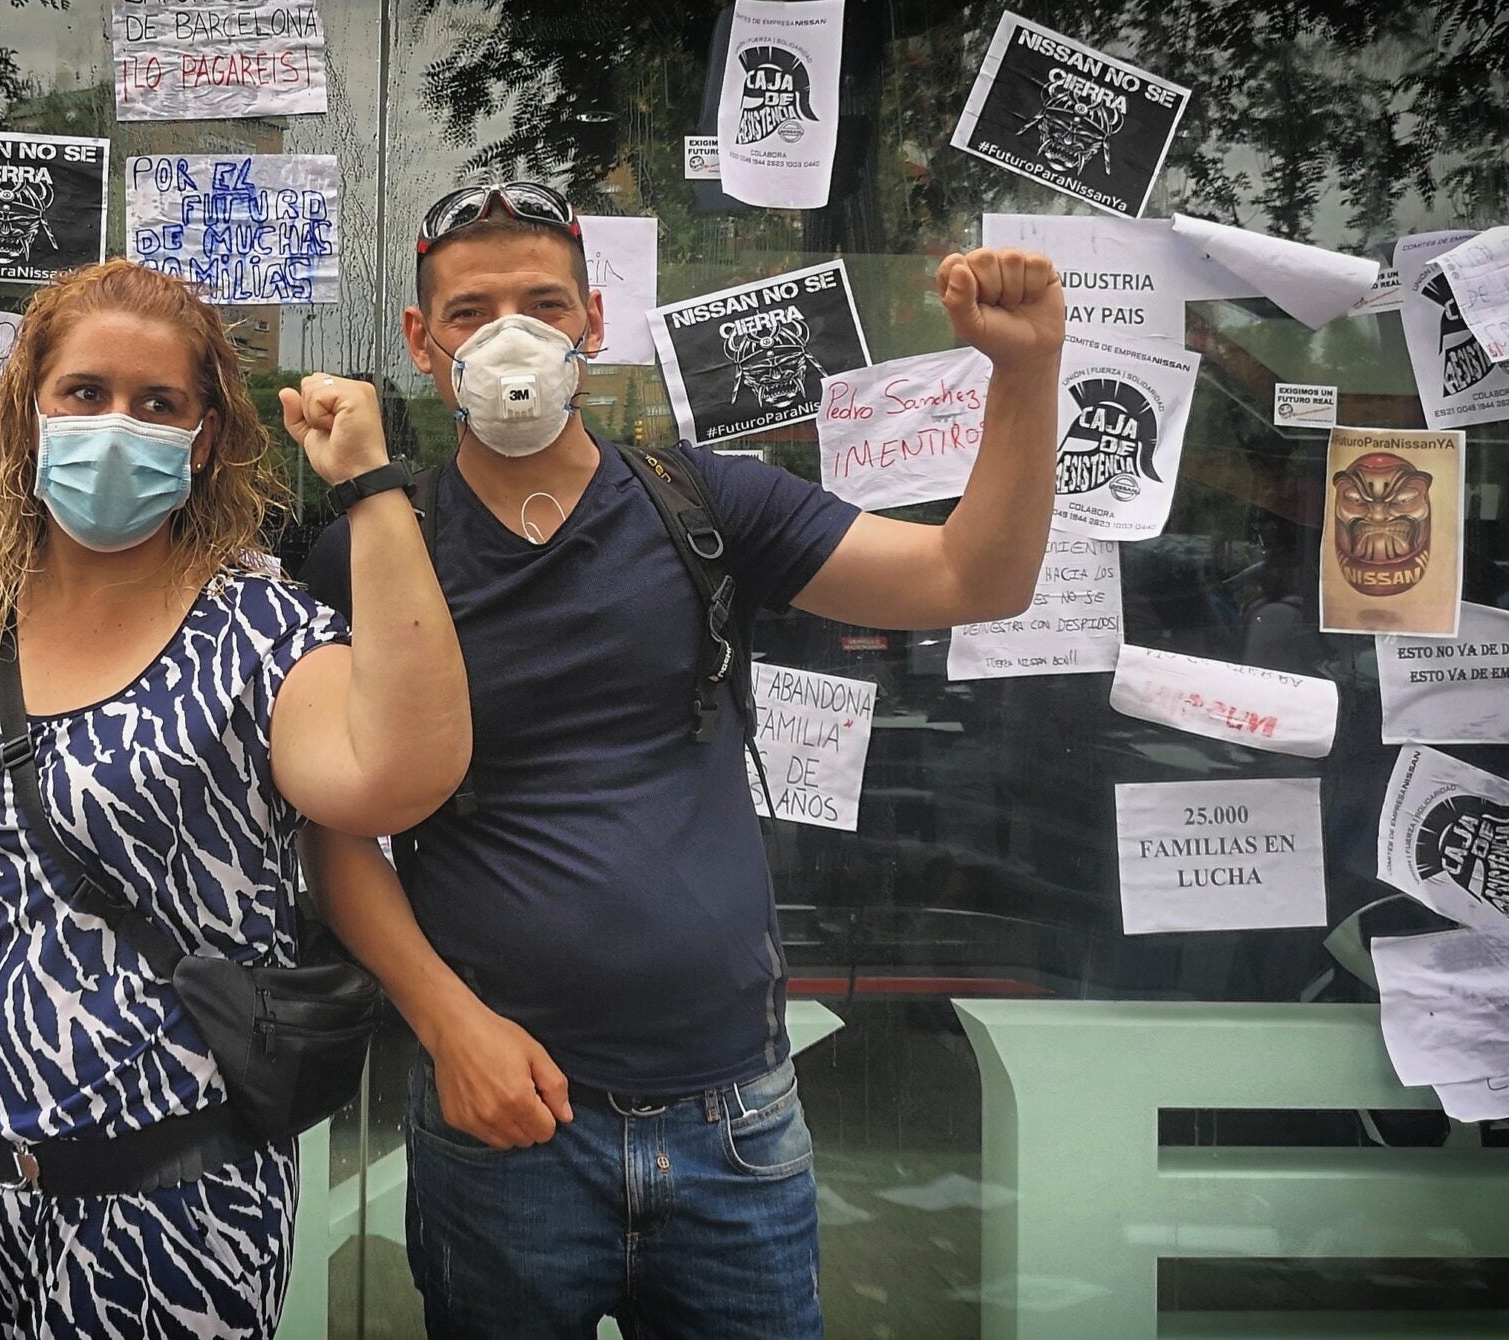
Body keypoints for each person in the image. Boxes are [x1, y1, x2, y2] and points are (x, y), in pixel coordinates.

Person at [303, 182, 1065, 1339]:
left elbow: (975, 580)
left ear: (594, 320)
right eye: (469, 312)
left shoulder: (703, 502)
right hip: (502, 1123)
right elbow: (334, 828)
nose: (512, 336)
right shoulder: (372, 542)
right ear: (420, 342)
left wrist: (1024, 373)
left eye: (544, 303)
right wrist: (446, 1023)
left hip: (735, 1117)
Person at [0, 258, 469, 1336]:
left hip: (172, 1205)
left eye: (158, 404)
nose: (115, 423)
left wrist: (369, 492)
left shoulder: (261, 635)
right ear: (28, 411)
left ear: (201, 440)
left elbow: (400, 774)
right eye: (85, 392)